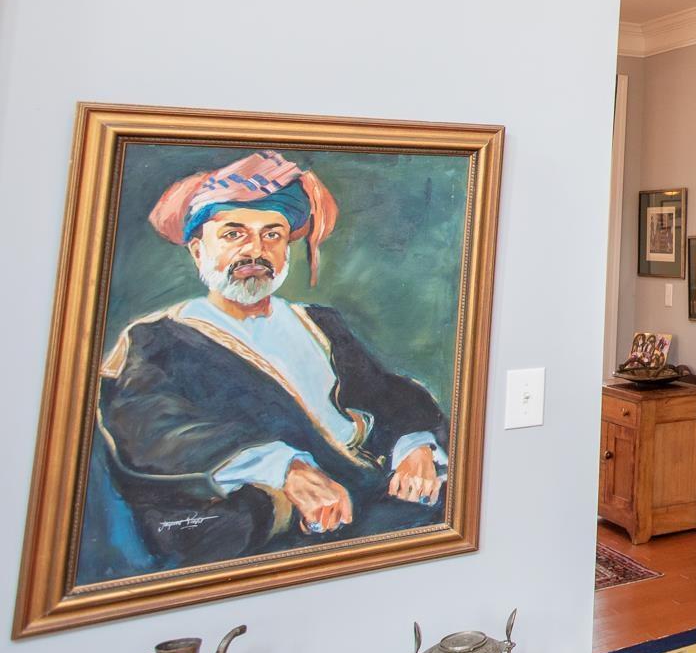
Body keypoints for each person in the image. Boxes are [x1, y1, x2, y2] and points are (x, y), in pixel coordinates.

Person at [96, 151, 449, 566]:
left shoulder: (320, 323)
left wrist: (414, 446)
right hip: (273, 527)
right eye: (233, 234)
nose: (255, 251)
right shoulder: (157, 340)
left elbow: (386, 394)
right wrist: (287, 469)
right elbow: (154, 430)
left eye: (272, 235)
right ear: (197, 250)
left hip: (377, 495)